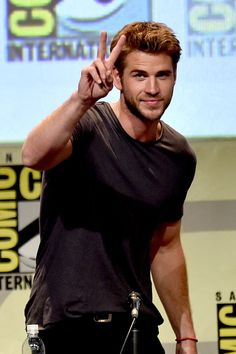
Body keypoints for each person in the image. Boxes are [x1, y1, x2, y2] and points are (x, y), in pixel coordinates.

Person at [22, 21, 198, 354]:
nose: (153, 88)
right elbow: (32, 156)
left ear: (175, 77)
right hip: (65, 326)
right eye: (139, 75)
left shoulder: (178, 156)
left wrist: (185, 335)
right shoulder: (86, 124)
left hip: (135, 325)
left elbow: (165, 245)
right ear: (117, 78)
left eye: (163, 75)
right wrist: (80, 100)